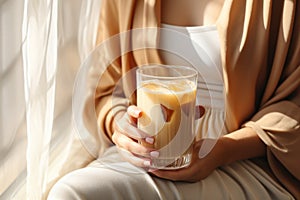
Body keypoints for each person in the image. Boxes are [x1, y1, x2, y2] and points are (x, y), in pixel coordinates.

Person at [48, 0, 300, 199]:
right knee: (72, 191)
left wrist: (221, 150)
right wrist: (121, 127)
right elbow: (105, 87)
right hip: (150, 156)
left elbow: (294, 105)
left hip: (249, 161)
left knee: (74, 194)